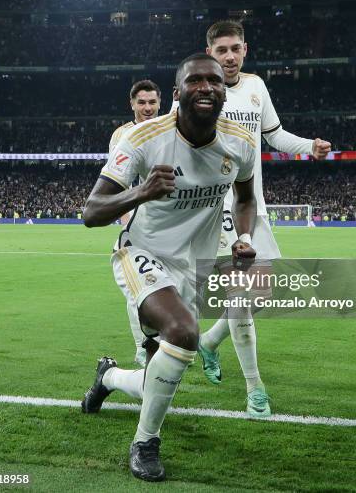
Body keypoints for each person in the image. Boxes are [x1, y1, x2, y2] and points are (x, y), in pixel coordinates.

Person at [81, 53, 257, 482]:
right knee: (183, 333)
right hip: (141, 254)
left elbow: (246, 197)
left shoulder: (241, 143)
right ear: (177, 94)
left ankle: (109, 378)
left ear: (224, 92)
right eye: (194, 81)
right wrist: (140, 192)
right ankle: (144, 443)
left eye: (214, 81)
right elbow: (91, 211)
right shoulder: (143, 139)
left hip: (193, 265)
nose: (206, 87)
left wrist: (245, 237)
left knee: (162, 370)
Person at [196, 21, 331, 417]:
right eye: (221, 50)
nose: (230, 56)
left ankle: (208, 342)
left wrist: (310, 146)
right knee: (239, 298)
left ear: (246, 49)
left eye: (235, 48)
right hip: (214, 206)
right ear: (210, 53)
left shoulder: (255, 87)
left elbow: (274, 134)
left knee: (258, 294)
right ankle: (255, 389)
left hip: (252, 203)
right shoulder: (197, 92)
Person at [109, 80, 162, 368]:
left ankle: (171, 345)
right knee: (136, 291)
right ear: (132, 104)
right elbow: (118, 184)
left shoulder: (168, 129)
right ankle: (143, 348)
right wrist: (129, 225)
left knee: (176, 290)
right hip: (140, 227)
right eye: (141, 102)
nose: (147, 108)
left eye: (152, 102)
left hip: (169, 225)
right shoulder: (123, 135)